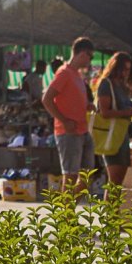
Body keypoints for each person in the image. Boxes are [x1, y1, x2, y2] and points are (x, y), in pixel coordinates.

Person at [42, 38, 96, 194]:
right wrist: (64, 121)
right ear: (81, 53)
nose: (90, 61)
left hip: (83, 130)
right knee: (70, 176)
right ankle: (66, 215)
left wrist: (87, 105)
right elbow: (46, 99)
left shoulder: (76, 75)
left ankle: (67, 210)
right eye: (90, 56)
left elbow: (71, 99)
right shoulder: (64, 73)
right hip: (69, 132)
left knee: (87, 176)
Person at [95, 53, 132, 187]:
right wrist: (129, 112)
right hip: (111, 136)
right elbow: (104, 112)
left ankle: (114, 208)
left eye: (128, 70)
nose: (125, 73)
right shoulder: (107, 84)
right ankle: (110, 208)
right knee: (114, 181)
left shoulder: (122, 87)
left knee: (118, 182)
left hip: (122, 135)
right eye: (123, 69)